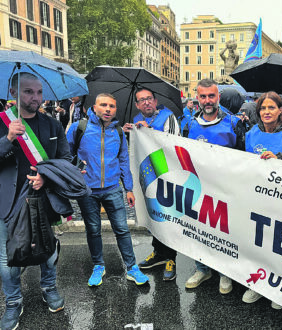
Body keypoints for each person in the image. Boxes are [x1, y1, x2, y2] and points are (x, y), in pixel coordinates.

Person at [0, 73, 71, 329]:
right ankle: (13, 302)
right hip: (7, 202)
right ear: (13, 91)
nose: (36, 98)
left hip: (43, 198)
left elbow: (64, 158)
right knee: (7, 258)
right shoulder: (2, 123)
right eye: (29, 92)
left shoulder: (51, 124)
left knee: (48, 250)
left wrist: (46, 178)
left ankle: (49, 287)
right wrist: (7, 138)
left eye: (39, 92)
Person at [67, 93, 149, 287]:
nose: (107, 109)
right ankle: (98, 266)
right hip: (87, 189)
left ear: (115, 110)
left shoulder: (118, 132)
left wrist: (128, 188)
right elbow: (65, 153)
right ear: (93, 108)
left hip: (113, 188)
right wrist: (77, 166)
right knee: (93, 230)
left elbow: (123, 160)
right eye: (103, 105)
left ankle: (131, 267)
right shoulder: (79, 128)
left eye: (112, 106)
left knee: (122, 229)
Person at [183, 79, 246, 294]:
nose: (207, 100)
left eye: (211, 96)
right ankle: (202, 268)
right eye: (203, 96)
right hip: (197, 187)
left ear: (218, 96)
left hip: (224, 189)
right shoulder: (189, 123)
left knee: (223, 232)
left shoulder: (234, 122)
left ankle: (224, 273)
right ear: (197, 98)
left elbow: (244, 157)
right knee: (197, 230)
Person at [242, 91, 282, 309]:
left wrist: (281, 160)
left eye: (271, 108)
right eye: (263, 108)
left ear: (280, 111)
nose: (267, 112)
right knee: (258, 242)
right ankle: (258, 284)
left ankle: (279, 290)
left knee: (279, 245)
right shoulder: (250, 133)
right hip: (257, 198)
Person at [124, 88, 180, 281]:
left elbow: (173, 144)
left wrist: (148, 132)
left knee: (168, 217)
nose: (146, 102)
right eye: (142, 100)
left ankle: (171, 258)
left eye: (149, 98)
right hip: (149, 177)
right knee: (153, 215)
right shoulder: (137, 119)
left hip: (167, 176)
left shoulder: (168, 117)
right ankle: (158, 253)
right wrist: (126, 134)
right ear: (137, 105)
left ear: (155, 101)